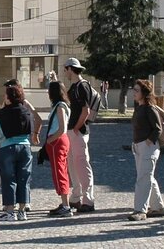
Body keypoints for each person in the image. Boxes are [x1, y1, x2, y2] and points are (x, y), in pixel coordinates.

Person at [62, 57, 99, 213]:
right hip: (73, 131)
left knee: (82, 166)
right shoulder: (76, 86)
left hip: (79, 131)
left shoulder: (81, 86)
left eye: (66, 69)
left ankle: (88, 201)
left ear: (71, 68)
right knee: (73, 165)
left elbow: (86, 111)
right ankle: (76, 198)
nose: (65, 72)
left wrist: (76, 128)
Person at [0, 83, 35, 222]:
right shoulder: (26, 111)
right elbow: (31, 127)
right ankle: (22, 211)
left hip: (7, 147)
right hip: (25, 147)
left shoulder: (2, 113)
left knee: (8, 179)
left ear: (9, 98)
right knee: (24, 179)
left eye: (6, 95)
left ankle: (10, 211)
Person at [128, 79, 164, 221]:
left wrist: (148, 141)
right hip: (139, 146)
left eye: (137, 90)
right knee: (147, 177)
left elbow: (157, 128)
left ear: (144, 93)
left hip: (148, 147)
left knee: (143, 179)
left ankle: (140, 210)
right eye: (134, 89)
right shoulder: (139, 107)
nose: (134, 92)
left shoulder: (150, 108)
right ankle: (158, 207)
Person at [44, 81, 72, 217]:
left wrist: (50, 139)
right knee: (60, 171)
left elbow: (62, 128)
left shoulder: (60, 106)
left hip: (57, 141)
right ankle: (64, 203)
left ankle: (66, 205)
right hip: (59, 141)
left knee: (59, 172)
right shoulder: (60, 105)